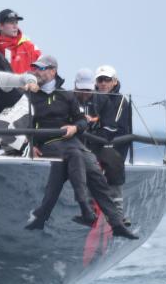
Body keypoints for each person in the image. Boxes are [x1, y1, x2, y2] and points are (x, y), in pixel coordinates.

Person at [23, 55, 138, 238]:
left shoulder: (66, 95)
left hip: (71, 141)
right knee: (73, 158)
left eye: (42, 68)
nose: (37, 71)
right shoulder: (29, 95)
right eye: (36, 68)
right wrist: (31, 144)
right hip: (48, 142)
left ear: (53, 71)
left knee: (94, 170)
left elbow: (80, 121)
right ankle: (84, 208)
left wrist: (75, 127)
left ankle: (116, 223)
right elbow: (24, 122)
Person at [87, 64, 134, 212]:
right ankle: (88, 203)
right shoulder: (88, 99)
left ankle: (117, 209)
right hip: (93, 142)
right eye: (100, 80)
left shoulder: (121, 102)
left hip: (115, 144)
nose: (103, 83)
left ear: (115, 81)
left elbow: (113, 128)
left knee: (111, 159)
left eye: (107, 80)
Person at [0, 9, 41, 74]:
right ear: (0, 26)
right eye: (11, 23)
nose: (15, 26)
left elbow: (43, 71)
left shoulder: (30, 47)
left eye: (16, 22)